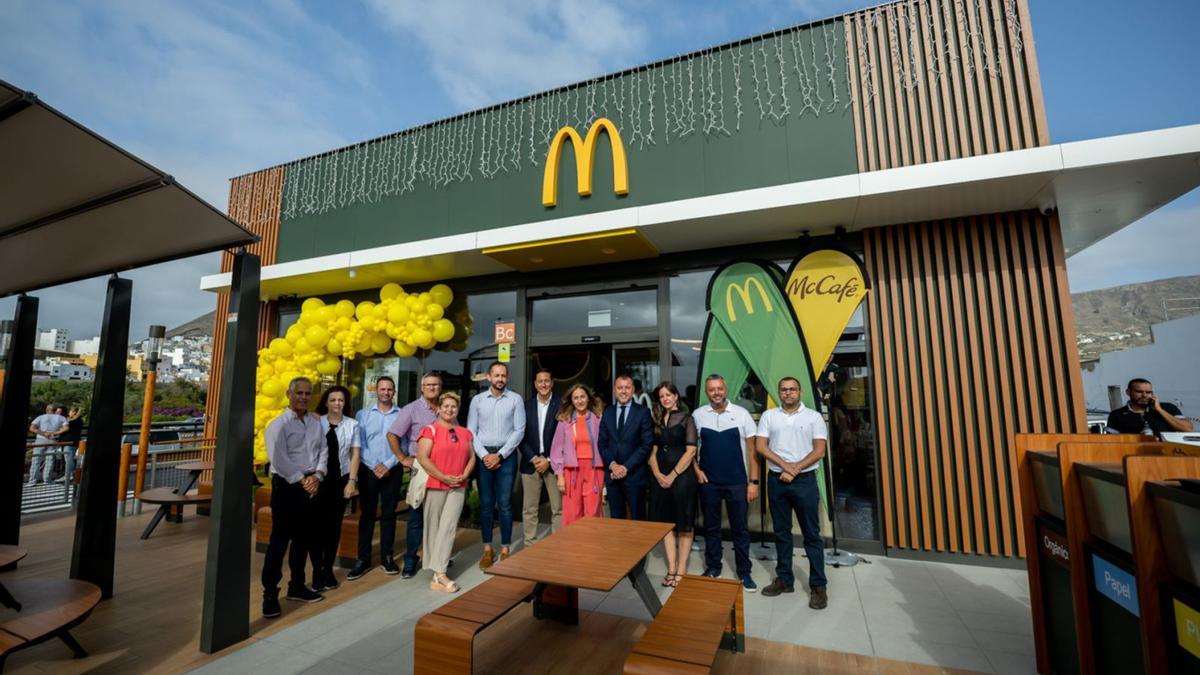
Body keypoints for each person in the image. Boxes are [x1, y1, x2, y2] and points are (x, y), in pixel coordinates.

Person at [755, 377, 829, 609]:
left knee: (811, 535)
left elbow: (819, 451)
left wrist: (795, 469)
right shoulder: (769, 415)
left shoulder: (813, 417)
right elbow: (761, 446)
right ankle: (785, 579)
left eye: (792, 389)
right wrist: (787, 467)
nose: (787, 393)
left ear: (800, 392)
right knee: (781, 532)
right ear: (779, 392)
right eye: (783, 389)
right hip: (777, 481)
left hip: (805, 482)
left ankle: (818, 586)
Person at [261, 377, 327, 618]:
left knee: (303, 539)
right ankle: (269, 593)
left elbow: (323, 450)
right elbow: (278, 459)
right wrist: (303, 480)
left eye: (307, 393)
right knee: (279, 541)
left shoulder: (314, 423)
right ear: (289, 394)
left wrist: (318, 475)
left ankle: (297, 586)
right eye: (298, 393)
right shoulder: (278, 425)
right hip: (288, 486)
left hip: (311, 484)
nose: (303, 397)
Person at [692, 374, 760, 592]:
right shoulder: (698, 415)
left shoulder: (741, 414)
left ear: (726, 389)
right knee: (711, 529)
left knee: (740, 530)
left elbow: (753, 451)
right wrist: (696, 470)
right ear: (706, 392)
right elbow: (689, 447)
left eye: (719, 388)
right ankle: (713, 567)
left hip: (737, 483)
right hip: (709, 483)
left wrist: (754, 482)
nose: (716, 393)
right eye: (711, 389)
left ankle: (744, 573)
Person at [467, 361, 525, 569]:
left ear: (507, 378)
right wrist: (484, 455)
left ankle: (505, 549)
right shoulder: (478, 400)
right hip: (484, 456)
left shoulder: (515, 400)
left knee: (505, 504)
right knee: (486, 505)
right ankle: (488, 550)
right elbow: (471, 431)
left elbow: (519, 431)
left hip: (506, 457)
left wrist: (499, 455)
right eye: (496, 375)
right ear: (489, 378)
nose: (500, 379)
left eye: (503, 375)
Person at [416, 392, 476, 592]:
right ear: (439, 408)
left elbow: (471, 458)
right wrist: (443, 477)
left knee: (448, 528)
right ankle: (437, 574)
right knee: (433, 527)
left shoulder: (465, 432)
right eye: (446, 406)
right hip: (436, 484)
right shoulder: (430, 430)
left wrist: (464, 475)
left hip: (458, 486)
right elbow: (423, 457)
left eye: (454, 407)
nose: (450, 410)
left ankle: (440, 573)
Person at [388, 372, 442, 578]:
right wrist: (403, 458)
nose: (432, 388)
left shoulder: (446, 408)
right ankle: (411, 560)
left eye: (435, 385)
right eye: (428, 385)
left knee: (437, 516)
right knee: (416, 516)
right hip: (421, 469)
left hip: (442, 469)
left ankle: (437, 557)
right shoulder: (411, 409)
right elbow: (392, 435)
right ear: (422, 387)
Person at [348, 376, 403, 580]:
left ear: (394, 391)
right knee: (367, 515)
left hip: (392, 469)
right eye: (382, 389)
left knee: (389, 514)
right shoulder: (362, 415)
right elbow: (358, 443)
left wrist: (387, 464)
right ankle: (363, 559)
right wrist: (374, 465)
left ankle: (387, 557)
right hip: (368, 469)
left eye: (389, 389)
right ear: (376, 391)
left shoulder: (402, 414)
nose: (386, 392)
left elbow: (403, 444)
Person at [648, 382, 699, 587]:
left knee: (684, 523)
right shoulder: (657, 420)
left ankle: (682, 568)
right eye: (662, 396)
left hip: (683, 478)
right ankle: (671, 567)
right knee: (666, 524)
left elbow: (691, 451)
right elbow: (651, 451)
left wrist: (673, 475)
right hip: (659, 477)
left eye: (669, 394)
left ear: (676, 396)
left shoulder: (688, 419)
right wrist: (659, 474)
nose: (665, 399)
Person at [310, 386, 360, 593]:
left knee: (333, 527)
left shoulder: (352, 425)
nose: (337, 403)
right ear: (325, 402)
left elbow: (355, 455)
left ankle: (328, 569)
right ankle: (316, 571)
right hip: (318, 480)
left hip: (340, 480)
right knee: (316, 528)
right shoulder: (315, 422)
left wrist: (352, 481)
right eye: (333, 400)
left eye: (341, 400)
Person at [598, 373, 654, 520]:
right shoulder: (608, 412)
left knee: (638, 520)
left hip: (634, 476)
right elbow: (602, 443)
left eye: (627, 388)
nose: (623, 391)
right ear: (615, 390)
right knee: (616, 520)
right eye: (620, 388)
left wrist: (625, 467)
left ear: (633, 389)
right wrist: (613, 465)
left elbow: (646, 444)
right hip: (612, 476)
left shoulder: (643, 412)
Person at [550, 383, 605, 525]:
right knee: (572, 513)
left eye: (582, 397)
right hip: (571, 471)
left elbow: (605, 446)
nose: (579, 401)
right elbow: (556, 451)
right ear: (571, 401)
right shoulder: (565, 421)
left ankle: (591, 546)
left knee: (593, 513)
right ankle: (573, 546)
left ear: (588, 399)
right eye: (576, 398)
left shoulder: (598, 419)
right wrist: (560, 476)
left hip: (594, 470)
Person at [519, 369, 562, 545]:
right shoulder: (525, 406)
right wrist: (535, 458)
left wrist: (549, 460)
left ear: (551, 383)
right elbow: (519, 435)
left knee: (558, 508)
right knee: (529, 508)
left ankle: (558, 544)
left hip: (554, 464)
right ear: (535, 384)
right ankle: (530, 544)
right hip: (531, 463)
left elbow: (564, 438)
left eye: (546, 381)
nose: (543, 384)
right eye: (540, 381)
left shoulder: (561, 405)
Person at [1106, 378, 1194, 435]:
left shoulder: (1168, 408)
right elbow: (1111, 442)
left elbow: (1187, 429)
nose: (1144, 395)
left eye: (1148, 392)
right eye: (1139, 392)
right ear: (1128, 392)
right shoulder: (1117, 415)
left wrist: (1160, 410)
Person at [27, 404, 67, 485]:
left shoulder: (41, 417)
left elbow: (32, 428)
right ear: (55, 410)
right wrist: (55, 433)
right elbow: (66, 428)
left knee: (36, 461)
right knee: (50, 460)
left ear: (46, 409)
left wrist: (43, 433)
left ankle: (32, 481)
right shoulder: (61, 418)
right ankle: (47, 480)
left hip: (40, 440)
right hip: (53, 440)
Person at [55, 406, 84, 483]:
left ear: (74, 412)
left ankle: (69, 475)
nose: (69, 413)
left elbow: (67, 426)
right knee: (67, 459)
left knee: (68, 460)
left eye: (70, 411)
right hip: (66, 442)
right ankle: (68, 475)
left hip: (71, 443)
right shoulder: (71, 421)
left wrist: (78, 414)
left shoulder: (77, 421)